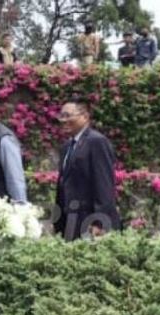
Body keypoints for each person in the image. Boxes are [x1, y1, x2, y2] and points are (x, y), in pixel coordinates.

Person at [54, 98, 120, 240]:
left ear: (84, 116)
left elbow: (104, 183)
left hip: (89, 220)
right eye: (61, 116)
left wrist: (100, 221)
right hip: (69, 219)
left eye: (68, 115)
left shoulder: (96, 141)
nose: (63, 120)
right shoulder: (67, 146)